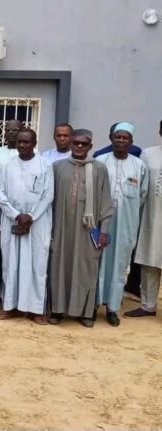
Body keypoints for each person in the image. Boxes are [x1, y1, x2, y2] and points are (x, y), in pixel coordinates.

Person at [49, 129, 113, 327]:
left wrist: (104, 231)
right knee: (59, 267)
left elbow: (106, 202)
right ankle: (58, 310)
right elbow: (49, 200)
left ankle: (85, 312)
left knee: (87, 268)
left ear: (90, 146)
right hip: (61, 228)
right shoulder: (58, 167)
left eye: (83, 144)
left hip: (88, 230)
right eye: (75, 143)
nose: (79, 146)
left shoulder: (99, 169)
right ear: (70, 144)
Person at [0, 129, 53, 324]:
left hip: (37, 223)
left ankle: (35, 310)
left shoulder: (45, 165)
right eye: (19, 141)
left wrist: (30, 216)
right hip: (12, 221)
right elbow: (0, 194)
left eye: (26, 142)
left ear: (34, 143)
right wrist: (16, 215)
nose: (22, 145)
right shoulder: (7, 166)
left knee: (37, 266)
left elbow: (48, 195)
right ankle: (10, 307)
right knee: (10, 265)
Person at [95, 123, 148, 326]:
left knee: (119, 265)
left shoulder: (139, 166)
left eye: (125, 138)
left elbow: (142, 196)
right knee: (97, 262)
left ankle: (112, 308)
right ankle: (92, 305)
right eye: (117, 137)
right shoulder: (100, 161)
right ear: (111, 139)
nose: (120, 141)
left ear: (131, 142)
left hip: (126, 223)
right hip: (101, 222)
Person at [125, 120, 162, 318]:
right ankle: (148, 305)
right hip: (151, 216)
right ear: (160, 131)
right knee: (149, 261)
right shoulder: (149, 153)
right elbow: (139, 181)